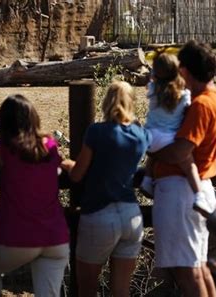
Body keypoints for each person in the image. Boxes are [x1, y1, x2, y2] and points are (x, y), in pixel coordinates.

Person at [150, 40, 216, 297]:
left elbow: (180, 151)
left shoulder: (201, 105)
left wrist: (149, 148)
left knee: (185, 270)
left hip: (179, 194)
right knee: (198, 265)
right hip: (197, 188)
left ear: (185, 70)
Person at [61, 81, 151, 297]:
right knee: (121, 291)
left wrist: (66, 163)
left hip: (100, 214)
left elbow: (78, 174)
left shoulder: (97, 132)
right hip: (132, 215)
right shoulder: (141, 135)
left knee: (87, 289)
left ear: (106, 102)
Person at [0, 94, 70, 297]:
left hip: (17, 237)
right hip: (55, 238)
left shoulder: (5, 148)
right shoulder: (49, 145)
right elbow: (58, 163)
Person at [139, 53, 208, 210]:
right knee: (189, 164)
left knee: (155, 153)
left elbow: (151, 81)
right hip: (168, 138)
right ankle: (199, 195)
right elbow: (187, 110)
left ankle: (147, 180)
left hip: (149, 137)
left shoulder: (152, 90)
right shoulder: (184, 95)